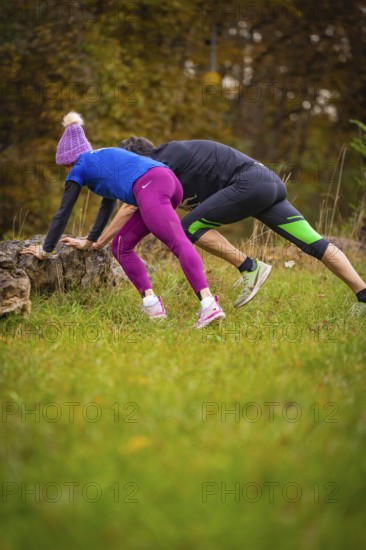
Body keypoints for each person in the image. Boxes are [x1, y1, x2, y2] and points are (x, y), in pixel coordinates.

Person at [93, 136, 366, 317]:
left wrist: (97, 242)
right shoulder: (164, 169)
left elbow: (130, 208)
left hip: (251, 183)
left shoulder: (161, 159)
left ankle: (250, 267)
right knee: (314, 244)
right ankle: (363, 295)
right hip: (267, 184)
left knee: (189, 227)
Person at [20, 114, 225, 329]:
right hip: (169, 183)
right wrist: (92, 242)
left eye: (63, 168)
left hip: (151, 186)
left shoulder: (78, 167)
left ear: (67, 162)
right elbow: (106, 206)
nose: (65, 173)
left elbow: (63, 213)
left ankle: (208, 304)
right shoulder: (102, 158)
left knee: (177, 241)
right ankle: (151, 304)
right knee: (120, 245)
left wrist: (46, 250)